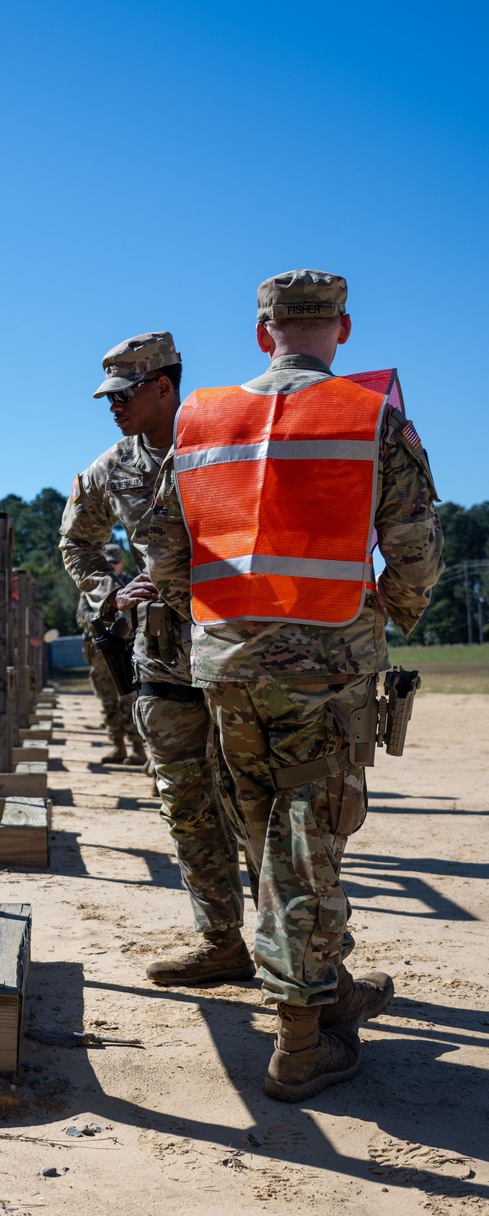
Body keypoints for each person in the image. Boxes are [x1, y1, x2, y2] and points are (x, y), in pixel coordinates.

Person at [145, 270, 443, 1100]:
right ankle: (303, 1037)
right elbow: (414, 543)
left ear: (261, 333)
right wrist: (396, 610)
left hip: (229, 668)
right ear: (341, 330)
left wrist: (214, 619)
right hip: (329, 666)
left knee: (264, 830)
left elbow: (165, 551)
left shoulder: (201, 417)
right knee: (311, 841)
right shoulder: (369, 414)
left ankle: (328, 983)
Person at [60, 333, 251, 984]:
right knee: (187, 809)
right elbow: (76, 542)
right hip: (164, 664)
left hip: (242, 658)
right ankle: (221, 943)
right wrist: (109, 593)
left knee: (260, 810)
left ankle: (303, 965)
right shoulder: (111, 468)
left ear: (164, 386)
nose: (112, 406)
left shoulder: (232, 447)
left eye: (124, 393)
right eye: (108, 395)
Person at [77, 544, 148, 765]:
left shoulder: (132, 584)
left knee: (129, 702)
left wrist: (123, 619)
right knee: (108, 704)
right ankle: (117, 747)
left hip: (125, 653)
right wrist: (105, 614)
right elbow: (82, 616)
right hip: (99, 658)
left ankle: (138, 749)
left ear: (122, 563)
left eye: (114, 562)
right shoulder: (92, 589)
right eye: (106, 562)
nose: (111, 566)